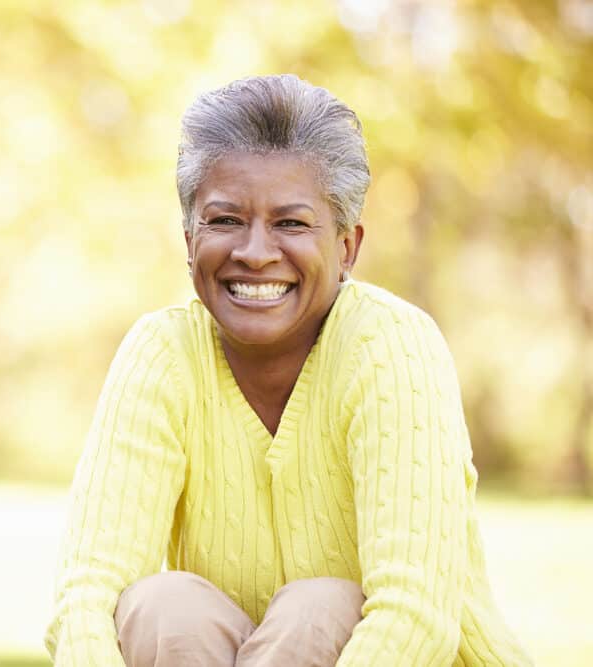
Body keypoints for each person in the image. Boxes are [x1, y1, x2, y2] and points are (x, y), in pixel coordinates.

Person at [44, 75, 532, 666]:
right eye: (225, 220)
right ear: (189, 239)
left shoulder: (391, 344)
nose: (254, 252)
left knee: (319, 610)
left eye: (292, 224)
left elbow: (415, 616)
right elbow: (85, 599)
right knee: (163, 606)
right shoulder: (161, 353)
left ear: (347, 246)